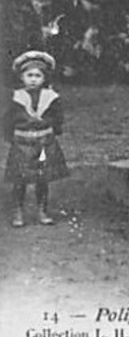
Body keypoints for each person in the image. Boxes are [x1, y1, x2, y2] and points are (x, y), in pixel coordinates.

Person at [4, 50, 68, 226]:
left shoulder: (51, 97)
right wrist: (11, 136)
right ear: (22, 77)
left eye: (38, 75)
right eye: (29, 75)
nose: (33, 79)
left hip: (43, 143)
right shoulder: (16, 97)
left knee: (42, 179)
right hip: (22, 142)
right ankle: (18, 212)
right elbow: (7, 119)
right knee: (20, 180)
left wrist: (55, 131)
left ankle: (42, 210)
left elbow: (57, 117)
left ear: (44, 78)